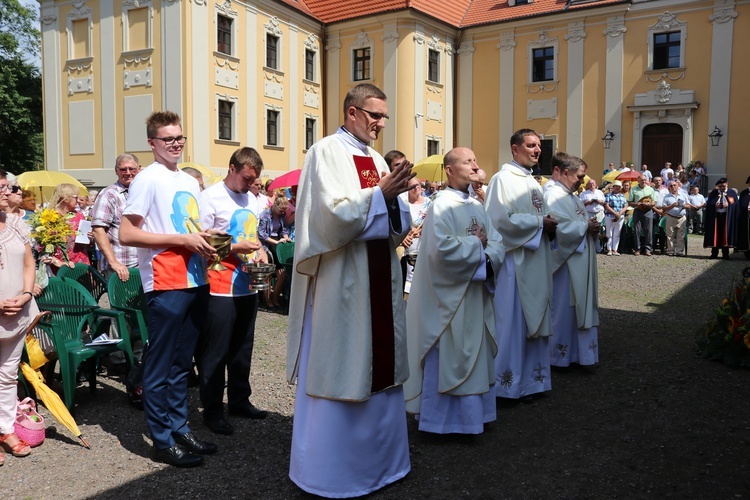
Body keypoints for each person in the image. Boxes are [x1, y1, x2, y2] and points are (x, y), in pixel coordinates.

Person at [286, 83, 414, 497]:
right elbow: (331, 218)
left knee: (377, 360)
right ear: (352, 112)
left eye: (384, 117)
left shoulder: (376, 158)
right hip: (343, 279)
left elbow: (395, 223)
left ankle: (382, 464)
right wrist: (380, 194)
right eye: (374, 115)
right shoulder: (325, 152)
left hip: (376, 274)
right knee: (343, 360)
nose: (380, 123)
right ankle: (334, 472)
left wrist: (394, 201)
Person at [119, 110, 219, 468]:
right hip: (165, 280)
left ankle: (179, 428)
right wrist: (180, 239)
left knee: (181, 365)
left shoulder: (189, 181)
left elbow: (188, 226)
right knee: (160, 366)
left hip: (195, 278)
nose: (175, 144)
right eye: (167, 139)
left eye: (179, 138)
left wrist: (207, 240)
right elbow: (127, 233)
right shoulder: (147, 179)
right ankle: (161, 440)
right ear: (152, 143)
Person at [404, 147, 504, 434]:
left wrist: (485, 252)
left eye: (475, 160)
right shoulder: (441, 205)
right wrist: (476, 245)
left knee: (474, 354)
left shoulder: (476, 205)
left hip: (474, 295)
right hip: (449, 301)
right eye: (467, 162)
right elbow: (440, 251)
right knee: (450, 354)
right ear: (449, 170)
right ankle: (441, 422)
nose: (475, 166)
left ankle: (475, 418)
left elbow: (497, 242)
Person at [198, 147, 269, 437]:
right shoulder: (210, 197)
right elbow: (200, 242)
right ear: (232, 168)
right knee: (216, 351)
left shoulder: (251, 199)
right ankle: (212, 409)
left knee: (242, 348)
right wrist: (236, 248)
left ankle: (239, 400)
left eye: (254, 180)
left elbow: (252, 236)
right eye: (247, 178)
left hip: (246, 285)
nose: (250, 184)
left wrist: (261, 250)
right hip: (219, 285)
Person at [485, 129, 556, 401]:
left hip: (535, 261)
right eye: (531, 145)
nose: (537, 150)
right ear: (515, 149)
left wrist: (547, 224)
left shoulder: (533, 182)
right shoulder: (502, 179)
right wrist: (540, 223)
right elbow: (499, 221)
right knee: (512, 324)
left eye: (539, 145)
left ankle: (532, 382)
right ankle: (506, 386)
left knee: (532, 322)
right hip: (515, 264)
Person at [544, 153, 600, 369]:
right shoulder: (551, 195)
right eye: (579, 176)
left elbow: (578, 221)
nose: (582, 181)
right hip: (565, 265)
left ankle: (579, 354)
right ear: (565, 172)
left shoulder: (572, 196)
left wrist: (590, 227)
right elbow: (556, 227)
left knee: (578, 307)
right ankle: (559, 356)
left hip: (579, 260)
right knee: (563, 308)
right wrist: (584, 227)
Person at [0, 173, 39, 462]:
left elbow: (29, 262)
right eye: (3, 188)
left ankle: (4, 428)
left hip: (18, 311)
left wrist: (26, 295)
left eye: (9, 187)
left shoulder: (14, 223)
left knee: (8, 374)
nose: (9, 192)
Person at [91, 153, 140, 282]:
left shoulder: (143, 192)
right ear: (116, 171)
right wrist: (114, 263)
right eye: (123, 169)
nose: (128, 173)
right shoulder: (109, 194)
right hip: (121, 268)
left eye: (132, 169)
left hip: (144, 265)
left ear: (139, 169)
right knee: (122, 303)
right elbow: (98, 230)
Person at [258, 196, 291, 308]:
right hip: (266, 245)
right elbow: (262, 234)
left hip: (278, 244)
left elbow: (284, 229)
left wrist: (286, 237)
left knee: (282, 273)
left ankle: (275, 298)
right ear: (275, 206)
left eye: (284, 210)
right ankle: (267, 300)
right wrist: (275, 242)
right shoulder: (264, 215)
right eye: (281, 210)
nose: (283, 212)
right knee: (268, 274)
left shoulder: (282, 215)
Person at [48, 183, 91, 266]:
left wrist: (90, 237)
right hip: (60, 266)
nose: (78, 200)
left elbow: (85, 242)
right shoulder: (50, 217)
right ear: (65, 198)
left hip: (81, 264)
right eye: (76, 197)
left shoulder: (79, 215)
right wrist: (57, 262)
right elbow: (44, 248)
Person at [703, 178, 738, 260]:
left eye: (723, 186)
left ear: (727, 185)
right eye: (720, 186)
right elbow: (709, 204)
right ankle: (714, 253)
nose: (722, 187)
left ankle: (725, 254)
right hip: (716, 217)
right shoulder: (714, 193)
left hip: (726, 218)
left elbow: (736, 205)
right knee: (715, 235)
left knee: (725, 235)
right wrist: (714, 205)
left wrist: (729, 205)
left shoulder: (731, 192)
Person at [627, 175, 657, 256]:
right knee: (637, 231)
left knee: (648, 230)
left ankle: (648, 249)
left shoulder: (650, 189)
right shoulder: (633, 190)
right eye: (641, 180)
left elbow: (654, 202)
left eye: (644, 180)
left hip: (648, 211)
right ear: (638, 181)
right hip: (638, 211)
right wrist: (637, 204)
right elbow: (630, 202)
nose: (643, 181)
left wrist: (650, 203)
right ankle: (637, 249)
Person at [661, 180, 690, 256]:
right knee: (670, 235)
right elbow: (664, 208)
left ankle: (679, 251)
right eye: (671, 186)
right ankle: (671, 250)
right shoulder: (666, 197)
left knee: (681, 235)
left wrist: (685, 206)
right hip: (671, 217)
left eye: (674, 185)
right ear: (668, 188)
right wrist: (672, 205)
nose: (673, 187)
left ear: (678, 186)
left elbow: (689, 205)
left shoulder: (683, 195)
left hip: (681, 217)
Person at [604, 180, 628, 255]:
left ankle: (615, 249)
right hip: (609, 216)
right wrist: (615, 213)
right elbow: (607, 206)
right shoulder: (608, 195)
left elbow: (626, 206)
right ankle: (609, 249)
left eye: (619, 187)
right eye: (616, 186)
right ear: (613, 187)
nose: (617, 188)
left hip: (620, 217)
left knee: (617, 233)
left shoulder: (622, 196)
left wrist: (620, 213)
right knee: (609, 233)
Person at [734, 177, 750, 260]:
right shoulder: (744, 193)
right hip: (745, 216)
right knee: (746, 234)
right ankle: (747, 252)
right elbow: (741, 204)